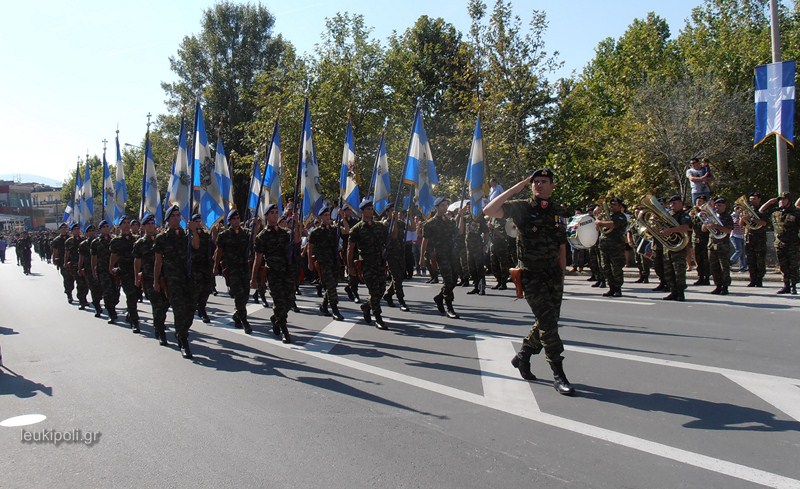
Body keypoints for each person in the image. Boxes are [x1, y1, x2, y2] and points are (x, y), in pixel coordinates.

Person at [483, 168, 574, 396]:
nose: (539, 185)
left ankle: (523, 356)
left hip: (553, 275)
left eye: (544, 181)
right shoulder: (523, 207)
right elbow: (489, 209)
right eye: (535, 182)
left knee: (549, 320)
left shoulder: (557, 210)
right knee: (548, 324)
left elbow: (562, 243)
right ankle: (558, 373)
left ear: (552, 185)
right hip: (531, 275)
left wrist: (562, 273)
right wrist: (517, 187)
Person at [251, 203, 302, 343]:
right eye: (272, 212)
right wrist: (253, 278)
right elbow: (258, 258)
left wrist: (296, 224)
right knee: (279, 302)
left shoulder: (285, 232)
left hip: (288, 272)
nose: (275, 214)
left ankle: (276, 318)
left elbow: (297, 240)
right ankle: (285, 330)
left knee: (289, 301)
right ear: (267, 216)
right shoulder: (262, 236)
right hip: (274, 274)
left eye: (276, 212)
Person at [154, 205, 195, 358]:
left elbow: (196, 245)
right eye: (174, 216)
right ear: (168, 219)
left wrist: (194, 231)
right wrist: (156, 281)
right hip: (172, 280)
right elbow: (158, 261)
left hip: (188, 278)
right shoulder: (162, 238)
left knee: (190, 309)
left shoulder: (186, 235)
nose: (177, 218)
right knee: (179, 311)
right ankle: (183, 340)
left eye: (179, 215)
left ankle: (182, 332)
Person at [348, 198, 389, 329]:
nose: (371, 211)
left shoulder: (380, 226)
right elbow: (350, 248)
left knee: (381, 289)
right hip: (367, 264)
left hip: (379, 263)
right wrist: (350, 267)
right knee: (374, 289)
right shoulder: (356, 229)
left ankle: (367, 306)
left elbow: (388, 241)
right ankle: (378, 317)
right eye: (368, 209)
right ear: (362, 212)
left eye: (372, 209)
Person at [419, 197, 462, 319]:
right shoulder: (430, 223)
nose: (445, 207)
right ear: (436, 207)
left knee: (454, 279)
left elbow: (459, 232)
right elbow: (425, 241)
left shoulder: (450, 221)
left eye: (446, 205)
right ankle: (449, 307)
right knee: (448, 280)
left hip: (452, 253)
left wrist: (461, 217)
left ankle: (439, 297)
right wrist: (422, 257)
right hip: (440, 254)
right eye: (442, 205)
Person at [133, 214, 170, 346]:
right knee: (157, 305)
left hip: (165, 277)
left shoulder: (163, 239)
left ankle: (159, 324)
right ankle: (160, 331)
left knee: (166, 304)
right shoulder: (140, 243)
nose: (151, 226)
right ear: (143, 226)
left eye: (152, 223)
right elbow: (137, 261)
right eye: (148, 224)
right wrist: (137, 276)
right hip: (149, 278)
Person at [214, 209, 252, 334]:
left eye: (238, 218)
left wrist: (256, 225)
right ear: (229, 221)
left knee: (246, 294)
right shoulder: (224, 235)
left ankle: (237, 315)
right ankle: (244, 319)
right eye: (234, 219)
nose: (236, 221)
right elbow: (218, 252)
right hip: (232, 269)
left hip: (244, 268)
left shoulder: (246, 233)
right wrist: (215, 267)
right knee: (239, 294)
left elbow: (254, 241)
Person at [307, 205, 345, 320]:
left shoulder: (334, 229)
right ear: (320, 217)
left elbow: (347, 231)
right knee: (331, 286)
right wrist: (310, 262)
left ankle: (324, 305)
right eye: (325, 215)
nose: (327, 217)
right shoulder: (316, 232)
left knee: (333, 284)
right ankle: (335, 309)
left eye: (328, 215)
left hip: (334, 261)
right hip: (323, 262)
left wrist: (343, 217)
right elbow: (310, 247)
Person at [759, 192, 800, 294]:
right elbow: (761, 211)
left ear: (789, 201)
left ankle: (793, 285)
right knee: (783, 266)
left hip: (792, 243)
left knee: (793, 266)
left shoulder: (796, 213)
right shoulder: (776, 212)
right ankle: (786, 285)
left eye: (783, 199)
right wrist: (770, 202)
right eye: (780, 199)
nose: (781, 201)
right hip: (779, 243)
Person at [109, 216, 140, 333]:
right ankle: (135, 321)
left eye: (128, 223)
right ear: (120, 226)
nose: (127, 225)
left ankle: (130, 313)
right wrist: (111, 268)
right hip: (124, 272)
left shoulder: (137, 239)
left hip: (136, 271)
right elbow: (113, 256)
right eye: (124, 223)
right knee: (131, 295)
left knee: (136, 296)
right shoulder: (116, 241)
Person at [660, 195, 692, 301]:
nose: (672, 205)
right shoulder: (668, 215)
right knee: (669, 271)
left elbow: (686, 227)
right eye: (671, 203)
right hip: (668, 246)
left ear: (680, 204)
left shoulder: (684, 215)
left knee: (679, 271)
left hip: (679, 247)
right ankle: (673, 292)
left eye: (674, 203)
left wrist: (670, 231)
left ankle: (680, 293)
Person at [594, 198, 627, 297]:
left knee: (616, 268)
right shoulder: (607, 216)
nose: (611, 206)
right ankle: (611, 288)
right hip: (604, 246)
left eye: (614, 205)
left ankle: (618, 289)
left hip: (616, 246)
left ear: (620, 206)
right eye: (611, 204)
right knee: (605, 268)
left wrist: (600, 222)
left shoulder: (621, 217)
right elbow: (598, 227)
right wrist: (597, 218)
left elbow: (613, 224)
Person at [381, 203, 410, 312]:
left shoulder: (400, 223)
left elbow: (411, 228)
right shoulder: (385, 224)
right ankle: (401, 300)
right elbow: (393, 235)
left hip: (400, 252)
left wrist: (409, 214)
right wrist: (393, 221)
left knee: (400, 276)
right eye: (392, 210)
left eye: (396, 210)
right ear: (387, 212)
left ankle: (388, 295)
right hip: (391, 253)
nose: (395, 212)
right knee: (396, 277)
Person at [703, 197, 733, 295]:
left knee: (724, 267)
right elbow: (703, 229)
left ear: (725, 206)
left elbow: (728, 230)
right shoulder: (712, 216)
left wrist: (716, 226)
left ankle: (725, 287)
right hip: (712, 245)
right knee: (714, 267)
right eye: (716, 205)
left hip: (723, 245)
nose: (717, 207)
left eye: (720, 205)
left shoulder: (727, 217)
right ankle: (718, 285)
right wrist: (706, 222)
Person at [91, 220, 119, 323]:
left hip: (114, 271)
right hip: (103, 271)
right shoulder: (96, 242)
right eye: (104, 227)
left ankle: (113, 307)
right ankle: (111, 313)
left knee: (116, 294)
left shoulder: (114, 240)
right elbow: (93, 258)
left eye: (107, 226)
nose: (106, 228)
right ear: (100, 229)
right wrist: (94, 271)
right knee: (107, 292)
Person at [189, 213, 215, 324]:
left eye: (200, 221)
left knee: (207, 289)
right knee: (196, 291)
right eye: (196, 221)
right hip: (195, 267)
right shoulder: (189, 235)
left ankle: (202, 308)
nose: (198, 223)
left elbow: (213, 245)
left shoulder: (205, 235)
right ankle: (193, 308)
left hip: (206, 266)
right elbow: (195, 247)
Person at [459, 202, 489, 295]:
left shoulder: (480, 218)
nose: (468, 208)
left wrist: (485, 244)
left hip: (477, 247)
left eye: (470, 206)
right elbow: (460, 231)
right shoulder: (466, 218)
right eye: (467, 207)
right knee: (471, 268)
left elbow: (486, 232)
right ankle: (476, 287)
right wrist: (460, 217)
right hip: (468, 247)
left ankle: (482, 287)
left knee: (479, 267)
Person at [741, 192, 768, 287]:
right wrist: (742, 218)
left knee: (760, 261)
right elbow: (741, 224)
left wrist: (752, 219)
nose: (752, 201)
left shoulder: (762, 210)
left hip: (759, 239)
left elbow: (764, 223)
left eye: (754, 199)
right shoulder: (747, 210)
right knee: (750, 260)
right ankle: (752, 279)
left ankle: (759, 279)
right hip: (749, 238)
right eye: (751, 199)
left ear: (759, 199)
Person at [78, 224, 103, 317]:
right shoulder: (83, 244)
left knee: (101, 289)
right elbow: (81, 257)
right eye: (90, 231)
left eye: (94, 231)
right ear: (87, 233)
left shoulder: (100, 242)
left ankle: (97, 301)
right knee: (93, 289)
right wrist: (80, 268)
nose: (92, 233)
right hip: (88, 269)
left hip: (100, 269)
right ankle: (97, 307)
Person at [339, 206, 362, 304]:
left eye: (350, 209)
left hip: (356, 248)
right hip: (347, 249)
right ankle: (355, 293)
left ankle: (349, 288)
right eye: (348, 210)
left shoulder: (355, 221)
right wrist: (343, 218)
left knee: (357, 271)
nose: (350, 211)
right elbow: (347, 231)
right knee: (351, 270)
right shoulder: (339, 223)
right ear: (343, 212)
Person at [64, 223, 89, 309]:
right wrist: (65, 263)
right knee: (79, 283)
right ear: (72, 231)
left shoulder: (84, 240)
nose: (77, 231)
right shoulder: (69, 241)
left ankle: (84, 298)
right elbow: (67, 253)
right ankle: (81, 301)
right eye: (75, 229)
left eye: (78, 229)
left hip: (84, 265)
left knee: (85, 284)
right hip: (74, 265)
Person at [690, 195, 711, 286]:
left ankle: (706, 277)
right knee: (698, 259)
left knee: (705, 259)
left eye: (701, 201)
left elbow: (703, 226)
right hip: (696, 239)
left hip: (705, 239)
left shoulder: (707, 213)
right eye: (697, 201)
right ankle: (700, 276)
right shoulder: (693, 213)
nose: (698, 203)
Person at [51, 223, 73, 303]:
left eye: (65, 228)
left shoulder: (71, 239)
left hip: (71, 261)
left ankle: (69, 289)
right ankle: (69, 294)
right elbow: (55, 251)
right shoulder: (56, 240)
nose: (64, 229)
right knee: (66, 277)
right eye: (62, 228)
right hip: (62, 261)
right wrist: (54, 260)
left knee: (72, 279)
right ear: (60, 229)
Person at [729, 206, 747, 272]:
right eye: (739, 208)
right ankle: (729, 262)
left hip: (741, 235)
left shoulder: (742, 215)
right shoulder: (733, 215)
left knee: (742, 252)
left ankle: (743, 267)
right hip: (734, 235)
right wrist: (740, 218)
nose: (740, 210)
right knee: (739, 250)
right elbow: (735, 222)